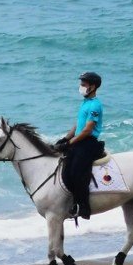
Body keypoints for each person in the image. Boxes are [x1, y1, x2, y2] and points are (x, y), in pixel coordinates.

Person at [55, 72, 105, 219]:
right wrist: (65, 138)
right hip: (79, 140)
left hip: (88, 143)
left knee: (77, 172)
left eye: (83, 85)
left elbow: (88, 130)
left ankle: (83, 206)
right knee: (65, 166)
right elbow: (78, 125)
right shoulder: (85, 103)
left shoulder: (95, 105)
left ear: (93, 86)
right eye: (81, 84)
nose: (81, 87)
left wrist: (70, 143)